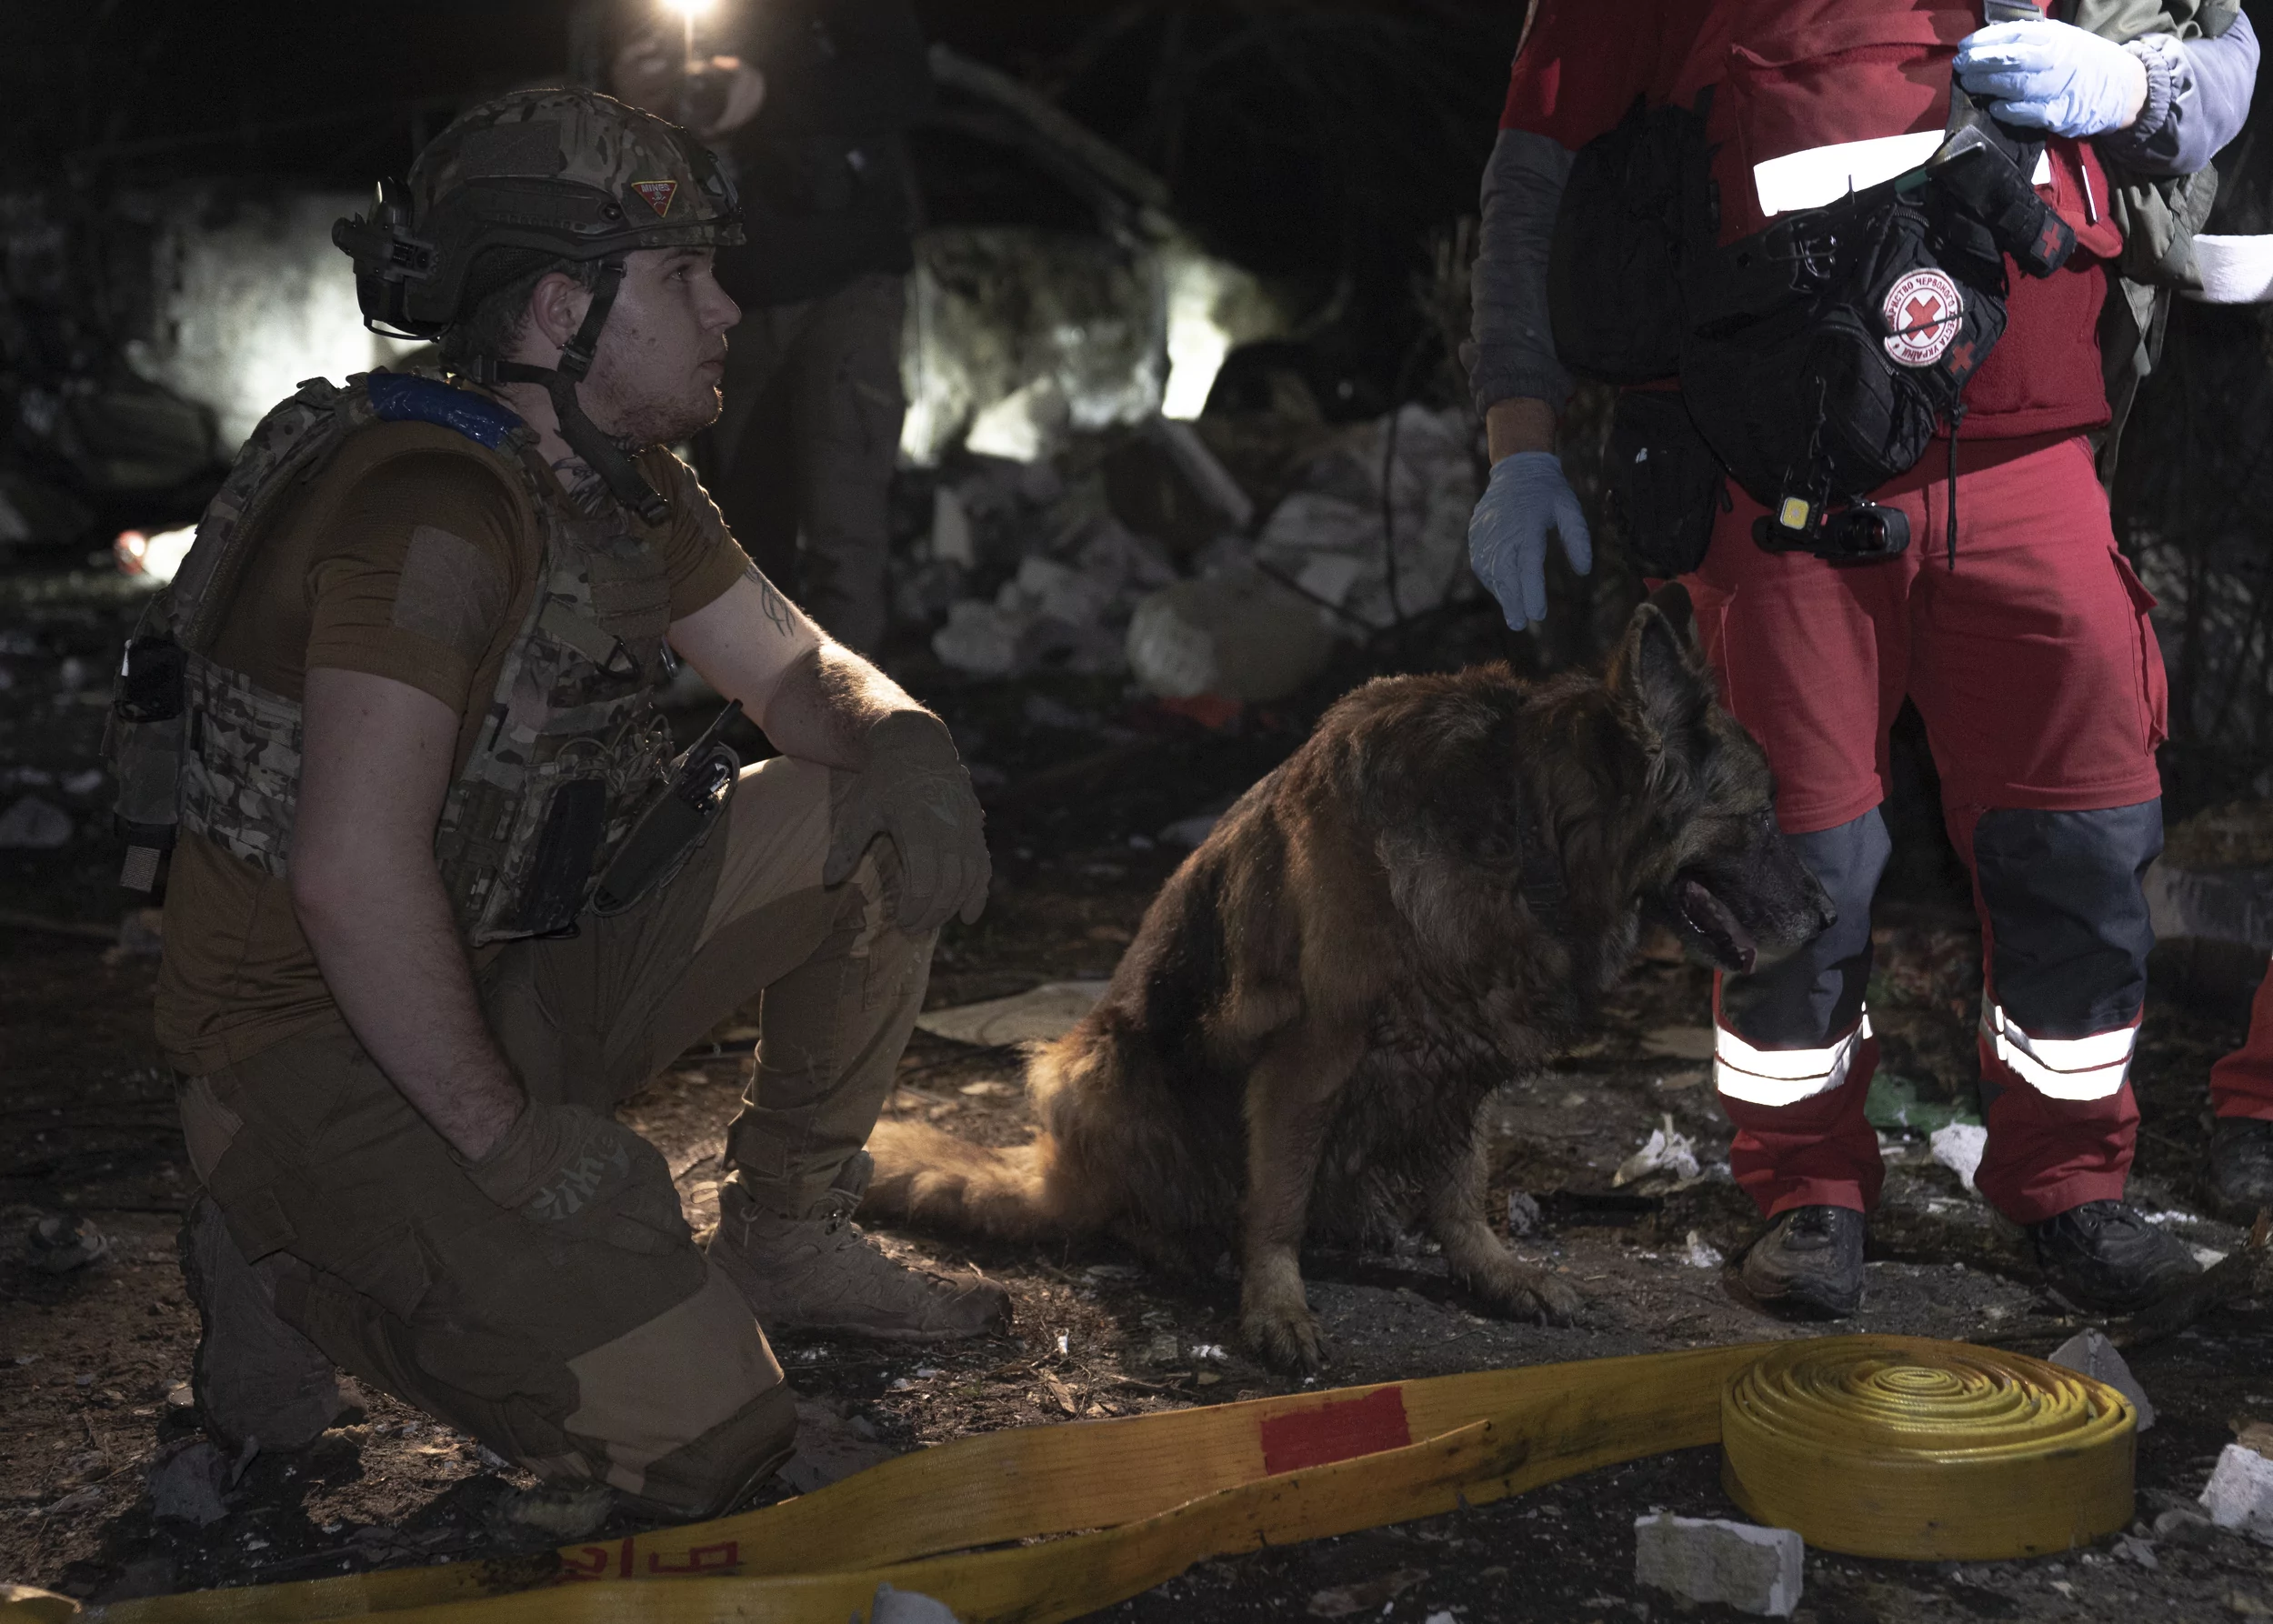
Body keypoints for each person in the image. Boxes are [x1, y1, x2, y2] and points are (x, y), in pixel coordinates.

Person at [147, 88, 1001, 1519]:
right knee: (706, 1443)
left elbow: (801, 675)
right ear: (559, 309)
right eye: (680, 277)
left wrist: (908, 741)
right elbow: (349, 878)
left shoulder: (618, 487)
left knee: (852, 812)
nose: (728, 307)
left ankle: (786, 1234)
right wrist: (519, 1146)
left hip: (489, 982)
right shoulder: (428, 509)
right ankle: (281, 1252)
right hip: (305, 1042)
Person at [1467, 0, 2259, 1318]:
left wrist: (2122, 78)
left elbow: (2223, 60)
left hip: (2032, 468)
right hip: (1773, 488)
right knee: (1792, 857)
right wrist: (1521, 442)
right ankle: (1806, 1191)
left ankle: (2073, 1182)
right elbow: (1532, 190)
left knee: (2086, 831)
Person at [608, 0, 933, 656]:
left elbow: (903, 84)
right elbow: (620, 141)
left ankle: (852, 729)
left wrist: (767, 93)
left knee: (842, 516)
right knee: (738, 523)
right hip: (727, 288)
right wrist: (631, 86)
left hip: (845, 278)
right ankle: (755, 712)